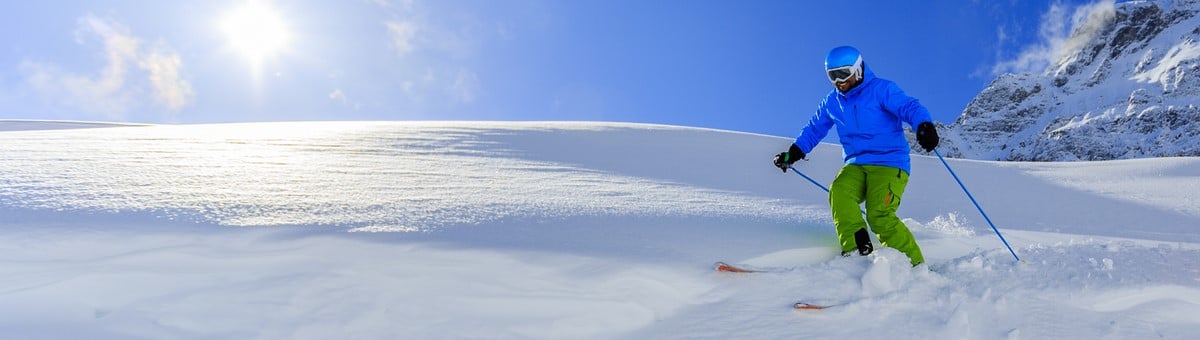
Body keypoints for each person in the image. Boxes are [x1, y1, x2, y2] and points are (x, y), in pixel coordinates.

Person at [773, 46, 939, 267]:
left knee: (879, 214)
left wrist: (924, 125)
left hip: (889, 163)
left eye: (843, 74)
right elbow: (814, 128)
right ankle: (857, 254)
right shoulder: (833, 101)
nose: (838, 81)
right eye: (832, 76)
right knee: (839, 192)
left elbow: (909, 107)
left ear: (858, 69)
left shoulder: (881, 89)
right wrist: (794, 152)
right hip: (856, 163)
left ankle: (916, 267)